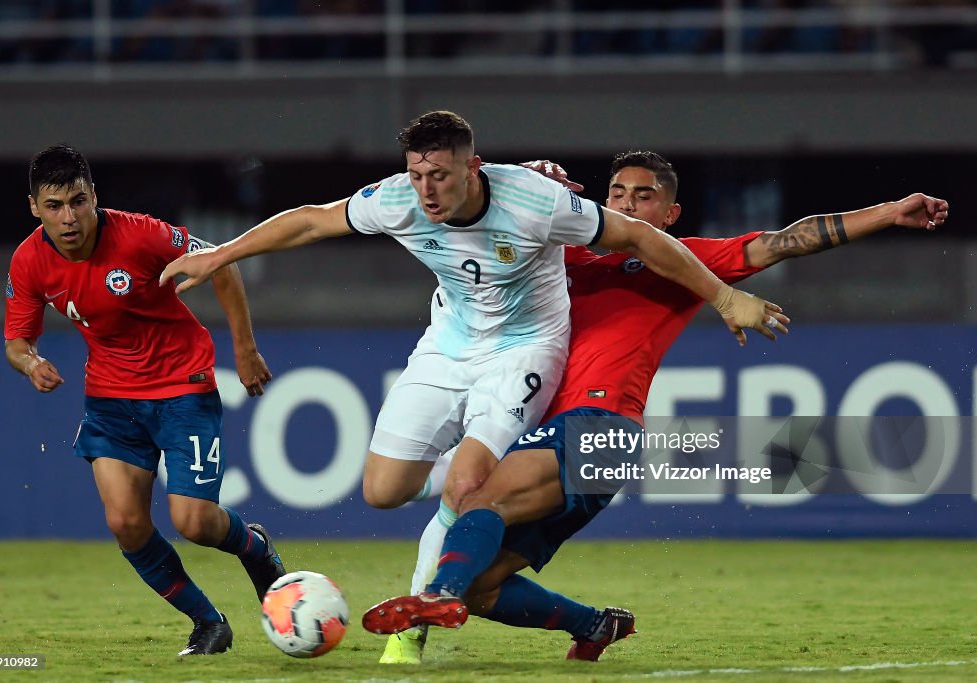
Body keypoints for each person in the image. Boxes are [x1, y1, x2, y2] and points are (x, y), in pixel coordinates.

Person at [364, 150, 949, 663]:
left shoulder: (678, 261)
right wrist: (525, 179)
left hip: (601, 427)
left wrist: (888, 211)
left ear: (669, 215)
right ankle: (592, 624)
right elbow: (485, 227)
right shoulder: (559, 255)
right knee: (481, 587)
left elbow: (783, 241)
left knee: (472, 501)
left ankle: (431, 602)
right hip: (548, 437)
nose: (627, 202)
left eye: (644, 196)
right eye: (617, 191)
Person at [160, 112, 781, 559]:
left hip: (527, 348)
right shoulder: (398, 200)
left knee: (463, 488)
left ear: (472, 166)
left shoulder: (534, 200)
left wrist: (726, 298)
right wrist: (217, 257)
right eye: (418, 174)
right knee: (383, 491)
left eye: (440, 175)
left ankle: (413, 630)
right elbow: (309, 224)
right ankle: (475, 468)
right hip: (448, 345)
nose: (427, 190)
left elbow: (642, 238)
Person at [3, 144, 288, 657]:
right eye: (54, 206)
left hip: (182, 385)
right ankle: (208, 623)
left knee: (194, 522)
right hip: (111, 400)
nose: (69, 218)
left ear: (94, 197)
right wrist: (31, 363)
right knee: (126, 524)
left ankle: (258, 549)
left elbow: (222, 265)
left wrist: (244, 349)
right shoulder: (28, 261)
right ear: (34, 207)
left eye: (78, 201)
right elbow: (17, 342)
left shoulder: (141, 234)